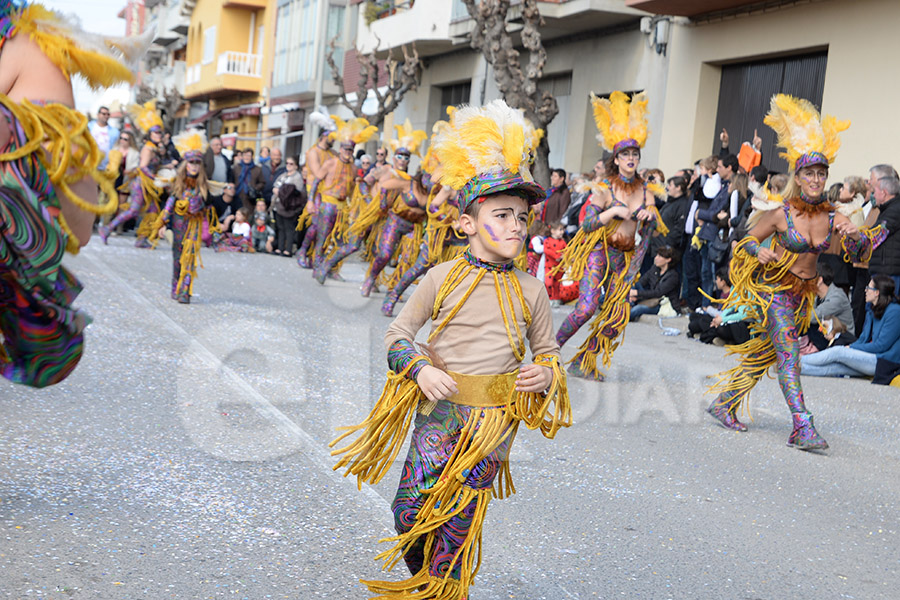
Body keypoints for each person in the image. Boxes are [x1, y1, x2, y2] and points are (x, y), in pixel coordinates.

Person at [330, 100, 570, 600]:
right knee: (410, 511)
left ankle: (442, 590)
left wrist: (546, 375)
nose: (516, 227)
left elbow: (549, 353)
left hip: (493, 424)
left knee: (458, 525)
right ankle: (429, 579)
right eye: (501, 215)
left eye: (522, 218)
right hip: (440, 412)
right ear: (466, 224)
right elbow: (397, 335)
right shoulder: (440, 278)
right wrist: (417, 369)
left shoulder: (532, 290)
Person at [706, 94, 887, 451]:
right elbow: (744, 241)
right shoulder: (781, 213)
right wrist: (761, 251)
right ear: (798, 176)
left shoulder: (835, 215)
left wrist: (856, 236)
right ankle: (801, 426)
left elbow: (860, 253)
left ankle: (723, 402)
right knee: (790, 355)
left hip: (803, 295)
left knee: (767, 353)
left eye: (822, 174)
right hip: (773, 290)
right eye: (810, 173)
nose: (816, 180)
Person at [0, 1, 145, 388]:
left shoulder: (20, 44)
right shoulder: (34, 46)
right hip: (51, 200)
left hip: (38, 182)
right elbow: (78, 233)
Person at [553, 91, 667, 381]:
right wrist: (612, 212)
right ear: (616, 159)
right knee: (587, 307)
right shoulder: (604, 187)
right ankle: (549, 350)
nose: (631, 158)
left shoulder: (645, 189)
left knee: (617, 316)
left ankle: (584, 361)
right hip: (600, 252)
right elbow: (588, 224)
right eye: (625, 154)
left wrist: (649, 215)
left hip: (627, 258)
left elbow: (653, 216)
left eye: (635, 154)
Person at [354, 120, 427, 297]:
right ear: (394, 157)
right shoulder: (385, 170)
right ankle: (371, 279)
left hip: (409, 223)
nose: (403, 160)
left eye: (406, 157)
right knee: (383, 253)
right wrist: (370, 202)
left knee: (406, 258)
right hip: (385, 217)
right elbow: (363, 183)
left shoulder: (411, 179)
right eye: (400, 156)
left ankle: (394, 288)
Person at [801, 274, 900, 380]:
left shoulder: (894, 311)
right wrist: (852, 347)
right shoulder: (872, 310)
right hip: (870, 357)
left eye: (868, 288)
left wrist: (851, 348)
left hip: (884, 362)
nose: (865, 290)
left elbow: (881, 346)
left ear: (877, 292)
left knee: (838, 351)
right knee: (835, 368)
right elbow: (862, 339)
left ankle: (792, 361)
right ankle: (796, 368)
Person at [99, 101, 165, 248]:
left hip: (149, 186)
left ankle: (141, 238)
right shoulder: (148, 149)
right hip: (141, 184)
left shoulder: (156, 148)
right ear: (150, 134)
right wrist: (157, 179)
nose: (158, 135)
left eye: (160, 132)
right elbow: (143, 167)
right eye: (155, 132)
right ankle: (107, 228)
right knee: (133, 210)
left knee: (152, 211)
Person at [154, 131, 210, 303]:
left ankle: (185, 291)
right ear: (186, 164)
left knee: (190, 256)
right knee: (178, 258)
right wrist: (162, 223)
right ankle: (176, 286)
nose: (194, 166)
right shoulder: (178, 183)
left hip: (194, 224)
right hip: (179, 223)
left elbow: (209, 205)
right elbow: (170, 204)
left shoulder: (203, 185)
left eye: (197, 163)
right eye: (191, 162)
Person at [296, 111, 337, 267]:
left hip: (329, 194)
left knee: (326, 228)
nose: (334, 140)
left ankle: (314, 255)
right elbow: (318, 172)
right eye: (331, 136)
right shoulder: (313, 152)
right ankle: (303, 251)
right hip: (316, 192)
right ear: (323, 136)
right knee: (316, 225)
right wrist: (311, 200)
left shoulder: (333, 153)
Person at [687, 266, 751, 345]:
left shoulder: (747, 289)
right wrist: (720, 318)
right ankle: (710, 336)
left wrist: (721, 318)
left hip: (738, 323)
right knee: (695, 317)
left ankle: (709, 336)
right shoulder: (734, 288)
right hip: (723, 319)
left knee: (716, 327)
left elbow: (743, 315)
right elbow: (730, 307)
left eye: (717, 279)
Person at [630, 245, 681, 321]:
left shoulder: (673, 276)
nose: (656, 258)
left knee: (638, 309)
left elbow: (658, 293)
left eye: (660, 256)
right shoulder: (655, 268)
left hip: (661, 304)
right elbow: (641, 282)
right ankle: (629, 303)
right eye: (657, 255)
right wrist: (633, 295)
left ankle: (621, 317)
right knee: (633, 282)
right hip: (651, 299)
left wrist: (636, 293)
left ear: (668, 260)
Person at [104, 130, 140, 229]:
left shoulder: (134, 153)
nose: (122, 141)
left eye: (125, 139)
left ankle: (119, 226)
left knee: (122, 204)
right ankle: (107, 224)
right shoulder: (115, 149)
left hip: (125, 180)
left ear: (130, 141)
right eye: (121, 138)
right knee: (111, 202)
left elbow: (135, 167)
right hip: (114, 179)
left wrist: (129, 171)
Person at [271, 155, 306, 256]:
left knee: (289, 228)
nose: (288, 165)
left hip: (289, 207)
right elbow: (275, 185)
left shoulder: (297, 177)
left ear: (296, 166)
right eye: (287, 163)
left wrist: (280, 191)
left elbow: (294, 191)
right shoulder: (284, 175)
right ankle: (280, 247)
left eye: (291, 164)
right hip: (278, 205)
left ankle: (288, 249)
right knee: (280, 227)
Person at [813, 261, 855, 336]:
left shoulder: (837, 297)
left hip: (842, 340)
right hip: (827, 336)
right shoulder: (816, 296)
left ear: (819, 280)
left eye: (810, 277)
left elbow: (813, 317)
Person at [203, 136, 234, 216]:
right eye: (216, 145)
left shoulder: (225, 158)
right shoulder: (206, 158)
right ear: (211, 146)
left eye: (220, 145)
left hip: (222, 191)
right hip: (210, 190)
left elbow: (230, 173)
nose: (219, 147)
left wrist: (230, 183)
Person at [232, 148, 264, 214]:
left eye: (249, 155)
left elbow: (262, 182)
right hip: (237, 195)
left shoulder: (257, 169)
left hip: (250, 198)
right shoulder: (236, 167)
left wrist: (255, 188)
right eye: (245, 155)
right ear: (242, 156)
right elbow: (231, 180)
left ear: (252, 157)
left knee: (248, 216)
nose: (246, 157)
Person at [88, 105, 120, 169]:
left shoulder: (115, 132)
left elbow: (116, 148)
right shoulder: (88, 127)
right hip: (89, 164)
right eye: (104, 114)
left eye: (108, 114)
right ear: (98, 115)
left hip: (105, 167)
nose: (106, 116)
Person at [543, 221, 567, 305]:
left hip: (559, 267)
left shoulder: (563, 242)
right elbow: (546, 250)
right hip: (549, 266)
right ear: (552, 231)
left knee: (557, 284)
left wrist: (565, 256)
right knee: (548, 283)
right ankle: (549, 298)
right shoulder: (547, 240)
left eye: (563, 230)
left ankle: (556, 298)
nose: (562, 232)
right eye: (560, 230)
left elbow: (566, 251)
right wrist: (556, 256)